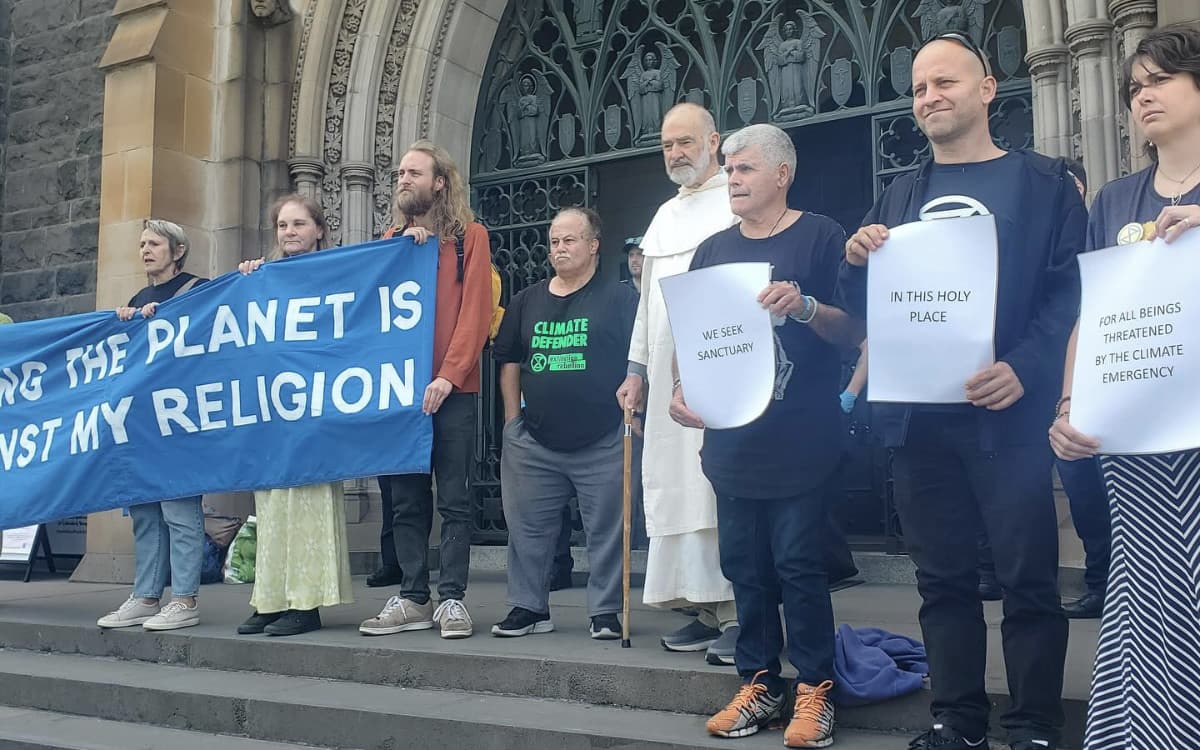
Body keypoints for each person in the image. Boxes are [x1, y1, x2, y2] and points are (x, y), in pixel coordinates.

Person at [840, 32, 1085, 750]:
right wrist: (856, 260)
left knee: (1028, 580)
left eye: (944, 82)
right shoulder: (900, 191)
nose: (930, 97)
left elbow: (1072, 293)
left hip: (1007, 419)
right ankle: (956, 721)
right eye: (918, 88)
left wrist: (1027, 367)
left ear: (987, 88)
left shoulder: (1042, 184)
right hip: (920, 424)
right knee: (942, 583)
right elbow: (868, 302)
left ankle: (1035, 726)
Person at [675, 123, 863, 747]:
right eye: (728, 170)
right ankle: (759, 681)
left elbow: (852, 329)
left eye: (745, 169)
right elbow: (694, 342)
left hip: (802, 438)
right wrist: (680, 390)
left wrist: (804, 308)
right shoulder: (711, 251)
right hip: (733, 444)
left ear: (782, 173)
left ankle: (815, 689)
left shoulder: (821, 236)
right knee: (745, 569)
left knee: (799, 566)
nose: (732, 179)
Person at [1049, 23, 1200, 750]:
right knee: (1144, 600)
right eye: (1134, 87)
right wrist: (1072, 403)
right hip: (1137, 444)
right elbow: (1093, 315)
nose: (1143, 96)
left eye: (1160, 80)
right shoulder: (1115, 199)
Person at [614, 102, 741, 664]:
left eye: (686, 142)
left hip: (719, 364)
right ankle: (701, 605)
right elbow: (647, 307)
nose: (676, 153)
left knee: (716, 487)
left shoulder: (735, 200)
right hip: (667, 374)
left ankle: (739, 608)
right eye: (667, 145)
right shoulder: (664, 214)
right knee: (676, 483)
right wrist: (635, 371)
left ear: (715, 141)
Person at [358, 141, 493, 640]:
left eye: (413, 172)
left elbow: (475, 314)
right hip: (400, 394)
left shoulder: (469, 238)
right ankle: (413, 596)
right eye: (398, 173)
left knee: (454, 500)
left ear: (440, 182)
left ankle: (452, 598)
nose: (402, 179)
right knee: (406, 502)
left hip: (453, 390)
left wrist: (448, 375)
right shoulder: (390, 242)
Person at [491, 207, 638, 639]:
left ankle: (606, 612)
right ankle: (528, 607)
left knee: (608, 529)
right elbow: (510, 363)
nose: (559, 248)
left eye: (569, 240)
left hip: (604, 436)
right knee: (526, 529)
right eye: (554, 240)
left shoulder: (621, 298)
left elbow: (641, 357)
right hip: (534, 440)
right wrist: (511, 423)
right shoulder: (526, 301)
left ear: (593, 245)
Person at [235, 194, 354, 637]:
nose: (289, 233)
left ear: (320, 229)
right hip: (274, 409)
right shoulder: (263, 278)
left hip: (318, 408)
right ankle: (269, 599)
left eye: (299, 224)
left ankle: (306, 603)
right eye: (283, 226)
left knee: (307, 504)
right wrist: (248, 280)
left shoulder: (341, 273)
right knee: (271, 505)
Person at [97, 219, 207, 632]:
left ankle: (184, 599)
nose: (145, 250)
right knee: (145, 512)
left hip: (181, 419)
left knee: (179, 512)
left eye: (155, 243)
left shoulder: (198, 289)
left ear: (178, 251)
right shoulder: (139, 296)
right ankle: (145, 596)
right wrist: (125, 323)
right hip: (145, 422)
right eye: (142, 243)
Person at [1053, 158, 1111, 621]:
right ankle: (1099, 583)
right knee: (1084, 494)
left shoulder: (1105, 237)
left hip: (1116, 379)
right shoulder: (1044, 247)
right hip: (1058, 387)